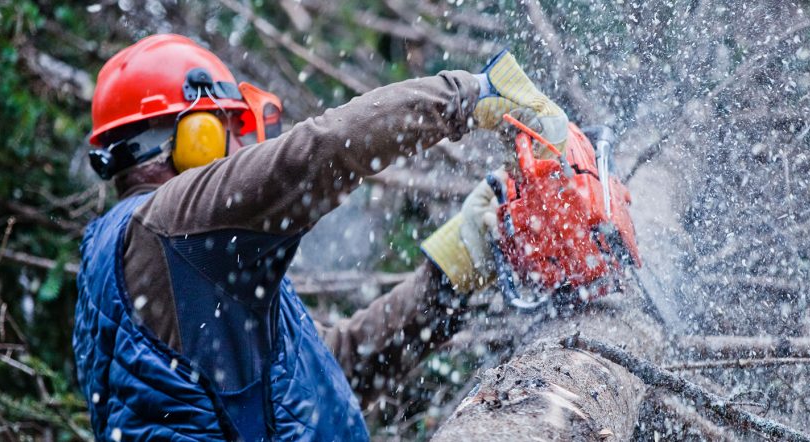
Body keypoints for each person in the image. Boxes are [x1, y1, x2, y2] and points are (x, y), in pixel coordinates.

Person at [73, 34, 567, 441]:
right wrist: (469, 95)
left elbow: (326, 374)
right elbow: (320, 150)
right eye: (229, 127)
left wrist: (453, 270)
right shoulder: (172, 224)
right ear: (194, 135)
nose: (241, 146)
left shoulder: (178, 260)